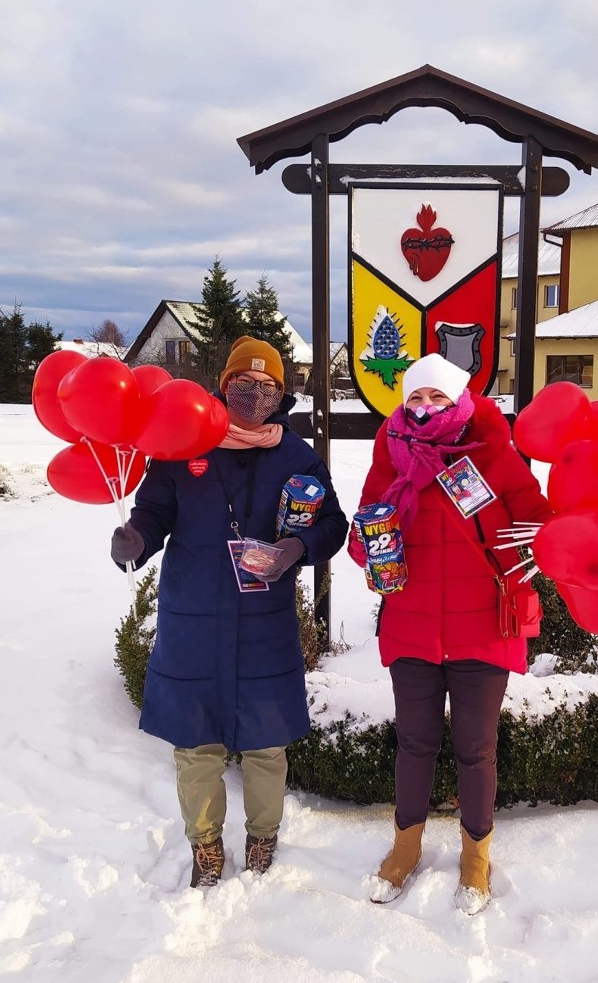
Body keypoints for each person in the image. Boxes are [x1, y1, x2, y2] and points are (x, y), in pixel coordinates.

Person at [111, 337, 348, 889]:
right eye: (245, 383)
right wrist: (134, 539)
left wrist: (296, 549)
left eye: (268, 387)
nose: (255, 394)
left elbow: (330, 522)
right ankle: (206, 844)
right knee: (196, 746)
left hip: (264, 622)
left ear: (281, 393)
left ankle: (263, 836)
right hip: (193, 617)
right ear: (224, 384)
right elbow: (152, 512)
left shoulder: (297, 455)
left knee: (267, 743)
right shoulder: (182, 443)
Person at [348, 354, 553, 914]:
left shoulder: (493, 452)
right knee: (414, 744)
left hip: (481, 627)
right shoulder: (389, 456)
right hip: (413, 626)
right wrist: (372, 546)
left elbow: (540, 523)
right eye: (416, 398)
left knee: (475, 750)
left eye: (437, 397)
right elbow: (361, 534)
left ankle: (475, 857)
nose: (425, 407)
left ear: (461, 400)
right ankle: (405, 848)